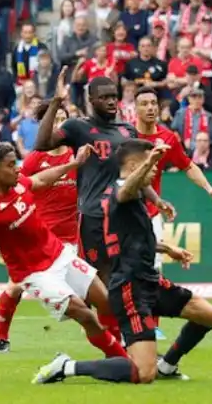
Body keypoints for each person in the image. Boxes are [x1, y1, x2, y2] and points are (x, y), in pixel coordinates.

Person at [31, 139, 212, 385]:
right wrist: (150, 161)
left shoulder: (131, 195)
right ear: (133, 166)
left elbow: (133, 237)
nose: (154, 170)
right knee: (143, 373)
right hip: (131, 289)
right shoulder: (120, 191)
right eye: (150, 165)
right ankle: (67, 366)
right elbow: (126, 190)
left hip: (149, 280)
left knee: (209, 315)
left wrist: (167, 249)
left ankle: (167, 365)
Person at [0, 143, 128, 364]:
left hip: (59, 253)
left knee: (105, 301)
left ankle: (119, 355)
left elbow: (41, 180)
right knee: (85, 314)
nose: (18, 169)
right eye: (11, 165)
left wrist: (74, 164)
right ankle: (123, 361)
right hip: (35, 274)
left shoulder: (19, 183)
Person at [34, 72, 175, 284]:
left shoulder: (128, 131)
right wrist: (56, 101)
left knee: (131, 276)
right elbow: (42, 143)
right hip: (94, 217)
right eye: (104, 97)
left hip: (124, 214)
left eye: (113, 96)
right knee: (99, 280)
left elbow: (136, 175)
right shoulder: (77, 127)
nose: (111, 101)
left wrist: (157, 200)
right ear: (91, 100)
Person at [134, 86, 212, 338]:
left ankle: (150, 326)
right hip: (123, 212)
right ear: (135, 108)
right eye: (144, 103)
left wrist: (208, 187)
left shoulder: (167, 138)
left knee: (153, 269)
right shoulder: (125, 136)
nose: (150, 108)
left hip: (150, 214)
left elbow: (187, 166)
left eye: (153, 103)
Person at [0, 103, 83, 353]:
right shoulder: (35, 159)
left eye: (64, 119)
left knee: (89, 288)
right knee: (16, 286)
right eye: (55, 119)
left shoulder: (77, 155)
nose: (60, 124)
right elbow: (15, 187)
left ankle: (109, 334)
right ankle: (2, 337)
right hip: (39, 237)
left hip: (73, 236)